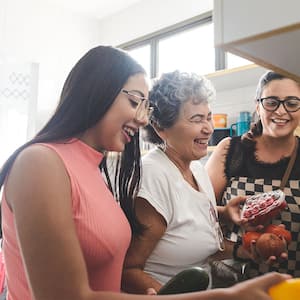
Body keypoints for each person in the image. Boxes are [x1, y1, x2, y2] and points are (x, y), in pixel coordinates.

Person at [0, 48, 290, 300]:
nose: (141, 119)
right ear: (97, 91)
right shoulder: (40, 163)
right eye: (134, 101)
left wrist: (222, 215)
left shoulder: (92, 168)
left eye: (145, 106)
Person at [121, 70, 276, 294]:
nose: (209, 128)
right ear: (160, 127)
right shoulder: (154, 176)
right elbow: (128, 270)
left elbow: (194, 242)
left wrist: (243, 249)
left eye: (208, 117)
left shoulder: (196, 168)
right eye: (196, 119)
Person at [206, 71, 300, 278]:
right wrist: (225, 213)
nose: (281, 111)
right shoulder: (230, 150)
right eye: (271, 102)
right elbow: (196, 213)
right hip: (232, 282)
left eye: (292, 103)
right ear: (257, 105)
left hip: (293, 285)